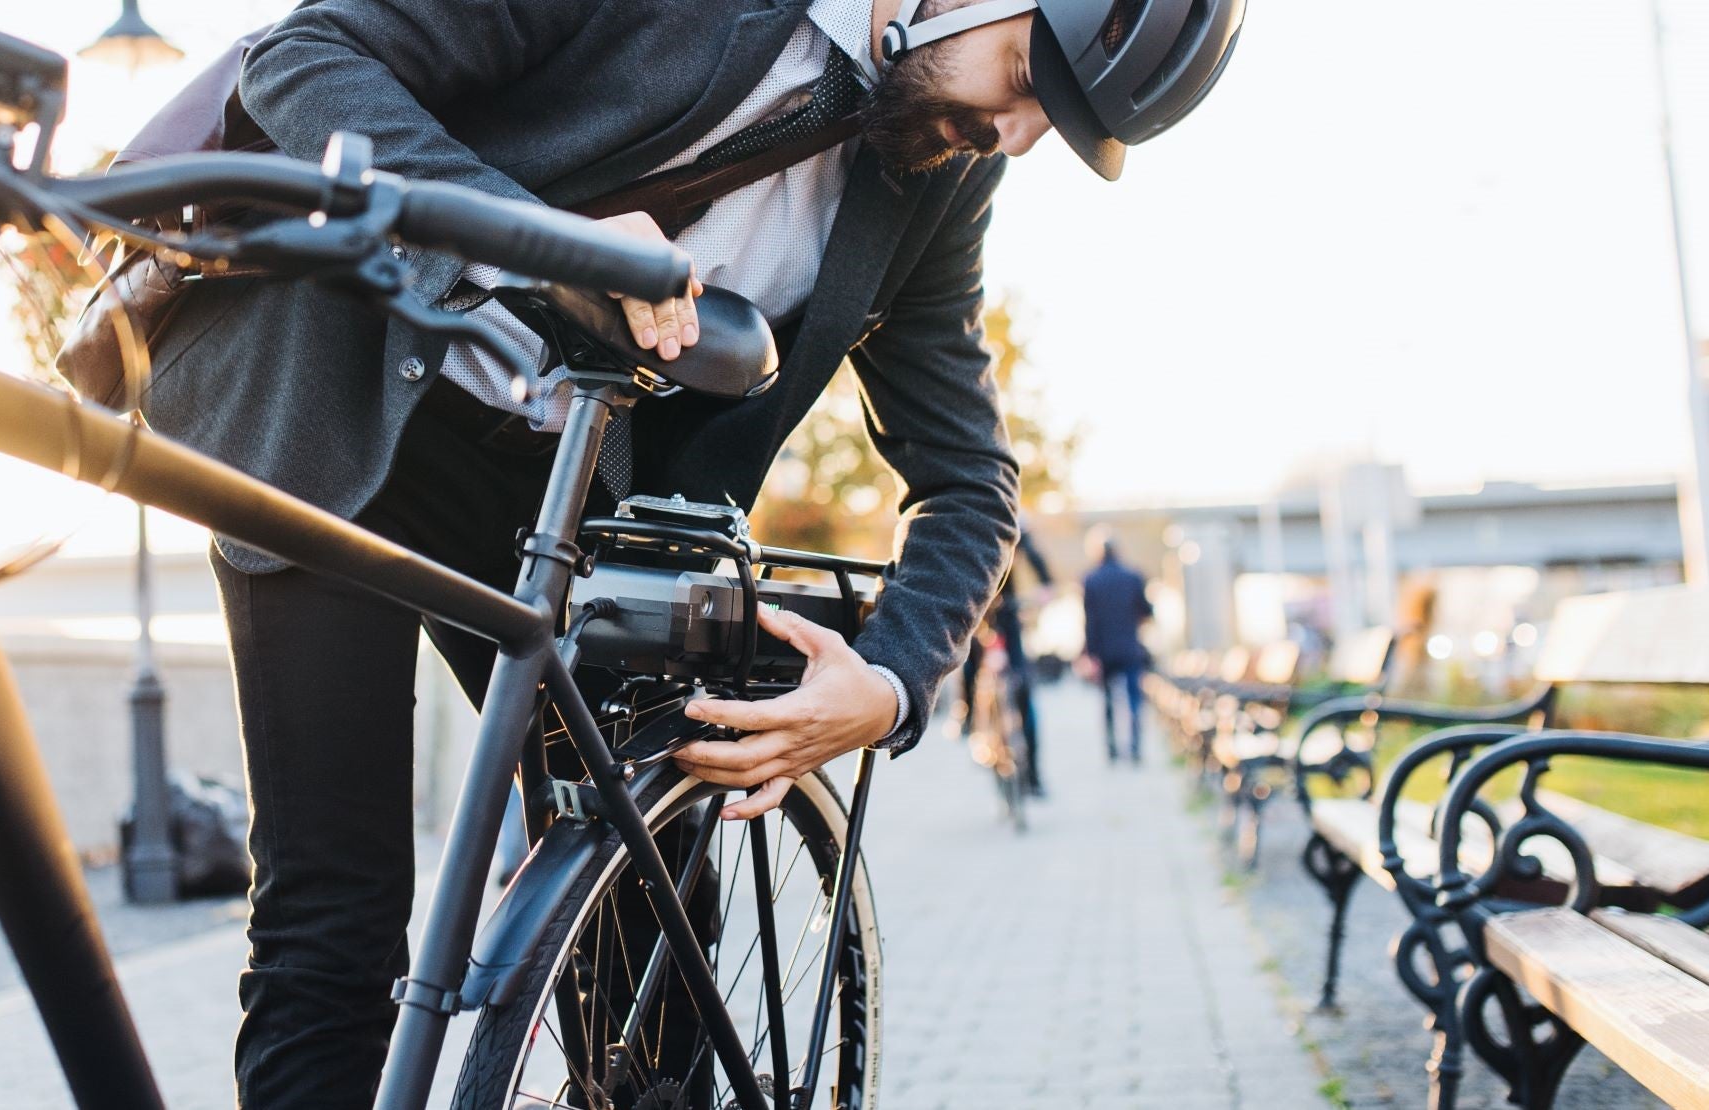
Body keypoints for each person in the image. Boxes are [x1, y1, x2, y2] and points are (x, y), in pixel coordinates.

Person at [126, 0, 1246, 1100]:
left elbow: (970, 478)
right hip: (336, 402)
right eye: (1023, 78)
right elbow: (303, 59)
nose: (1016, 135)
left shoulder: (943, 178)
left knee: (653, 905)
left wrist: (895, 684)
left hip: (575, 501)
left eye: (1056, 123)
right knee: (330, 914)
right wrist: (532, 235)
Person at [960, 522, 1053, 793]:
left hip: (1006, 614)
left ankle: (1032, 773)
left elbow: (1036, 559)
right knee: (968, 665)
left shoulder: (1010, 523)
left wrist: (1045, 588)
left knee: (1023, 688)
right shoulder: (962, 520)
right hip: (975, 614)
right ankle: (966, 716)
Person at [1081, 525, 1155, 762]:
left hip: (1104, 651)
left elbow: (1089, 622)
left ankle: (1112, 747)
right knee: (1134, 697)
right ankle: (1134, 746)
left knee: (1108, 700)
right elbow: (1146, 610)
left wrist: (1090, 653)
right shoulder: (1133, 576)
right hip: (1130, 648)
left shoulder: (1090, 580)